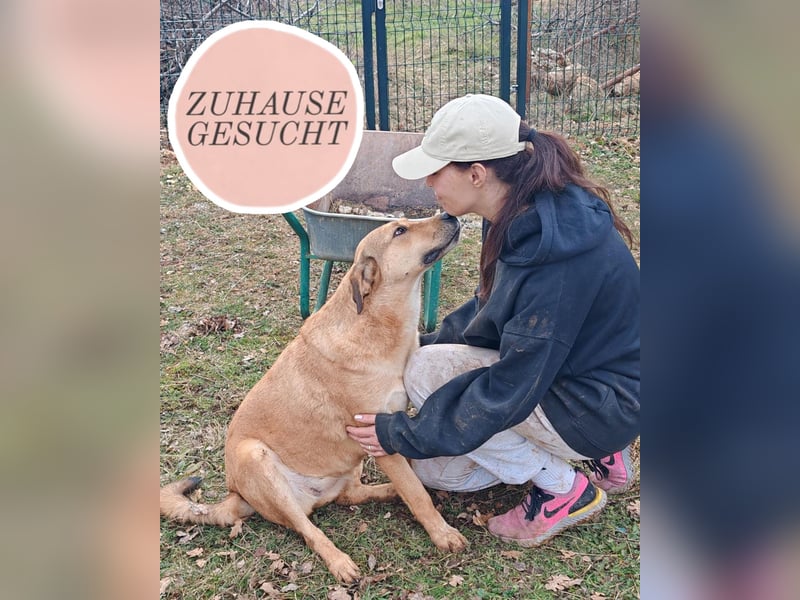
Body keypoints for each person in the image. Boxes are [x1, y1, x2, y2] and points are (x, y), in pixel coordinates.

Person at [346, 94, 639, 547]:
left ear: (477, 174)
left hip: (599, 403)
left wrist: (400, 432)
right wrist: (419, 345)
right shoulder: (520, 208)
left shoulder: (555, 258)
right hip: (583, 378)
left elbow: (511, 386)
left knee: (423, 372)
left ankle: (564, 489)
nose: (428, 181)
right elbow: (492, 306)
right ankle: (600, 453)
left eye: (436, 170)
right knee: (438, 473)